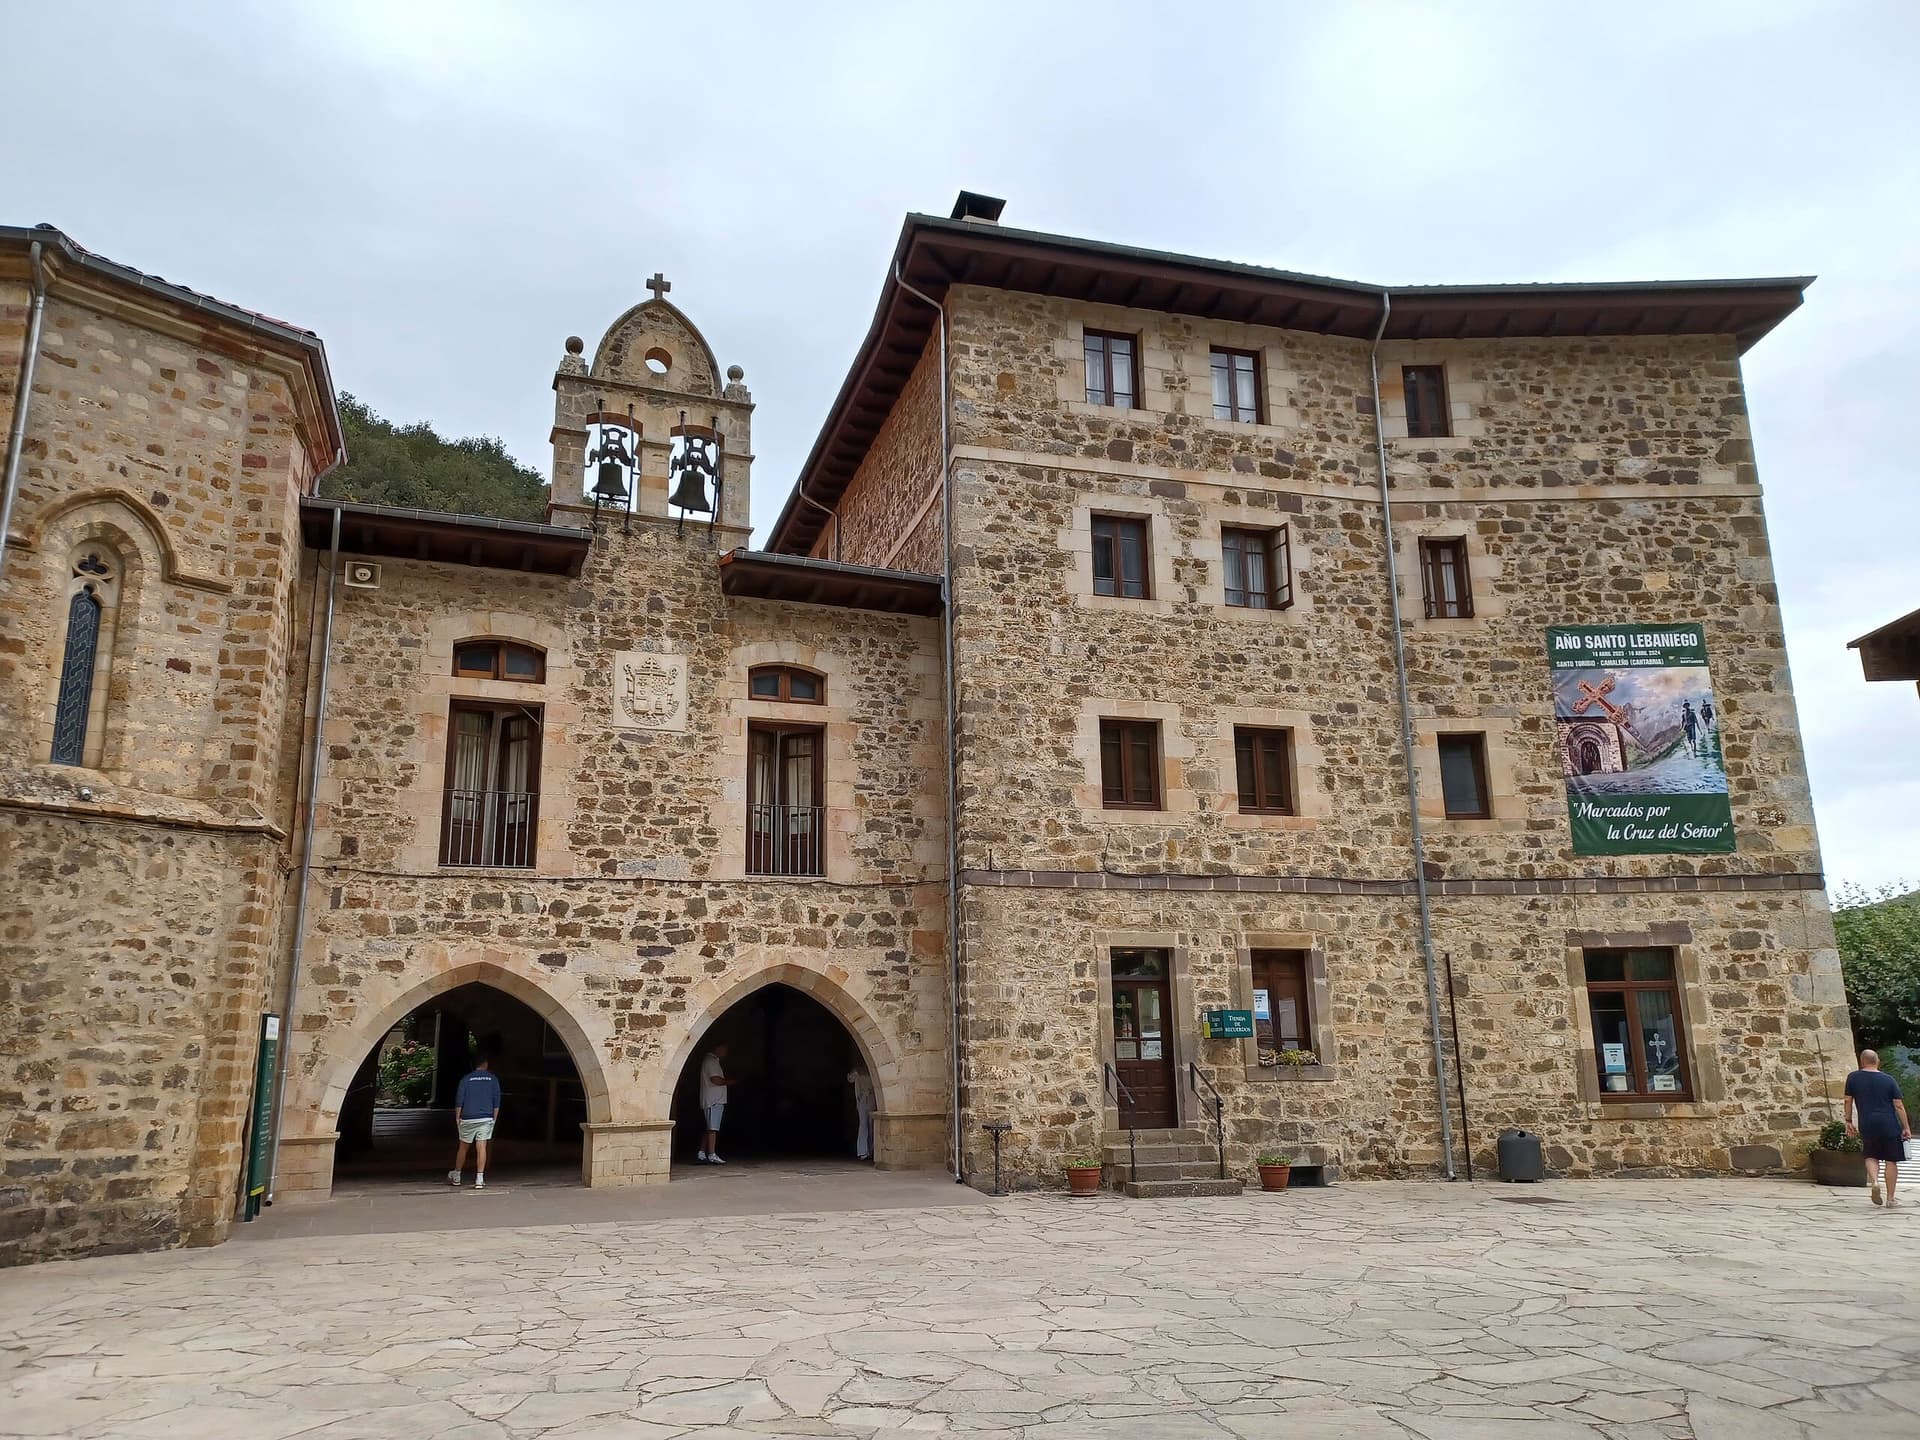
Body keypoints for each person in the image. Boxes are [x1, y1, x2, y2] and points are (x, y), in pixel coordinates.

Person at [1844, 1049, 1912, 1208]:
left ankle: (1875, 1181)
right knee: (1891, 1160)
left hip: (1867, 1123)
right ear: (1877, 1061)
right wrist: (1906, 1127)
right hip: (1888, 1123)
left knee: (1870, 1155)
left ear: (1862, 1061)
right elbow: (1899, 1105)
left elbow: (1848, 1100)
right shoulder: (1889, 1080)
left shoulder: (1853, 1077)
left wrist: (1848, 1121)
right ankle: (1890, 1198)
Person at [448, 1049, 502, 1190]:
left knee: (463, 1148)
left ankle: (457, 1176)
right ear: (486, 1064)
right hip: (486, 1117)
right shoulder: (493, 1079)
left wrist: (457, 1117)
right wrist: (494, 1118)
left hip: (468, 1117)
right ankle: (479, 1178)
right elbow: (496, 1101)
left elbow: (459, 1100)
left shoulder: (466, 1079)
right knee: (482, 1147)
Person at [697, 1042, 732, 1165]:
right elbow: (715, 1079)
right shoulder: (711, 1061)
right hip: (714, 1099)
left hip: (712, 1099)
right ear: (718, 1048)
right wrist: (730, 1082)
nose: (726, 1053)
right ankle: (711, 1154)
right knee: (713, 1128)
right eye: (724, 1050)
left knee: (709, 1126)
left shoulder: (711, 1060)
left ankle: (701, 1152)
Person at [848, 1061, 875, 1162]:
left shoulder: (872, 1073)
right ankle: (863, 1151)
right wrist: (855, 1072)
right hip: (863, 1100)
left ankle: (871, 1150)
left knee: (871, 1125)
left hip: (871, 1099)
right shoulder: (858, 1074)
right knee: (864, 1125)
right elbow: (850, 1079)